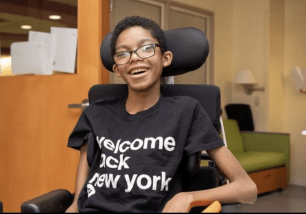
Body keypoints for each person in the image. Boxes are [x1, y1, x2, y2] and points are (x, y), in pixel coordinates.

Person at [66, 16, 257, 213]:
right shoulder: (96, 112)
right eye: (122, 53)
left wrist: (188, 198)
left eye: (146, 48)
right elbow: (77, 201)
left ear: (165, 58)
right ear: (117, 69)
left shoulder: (186, 111)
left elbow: (247, 188)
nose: (134, 57)